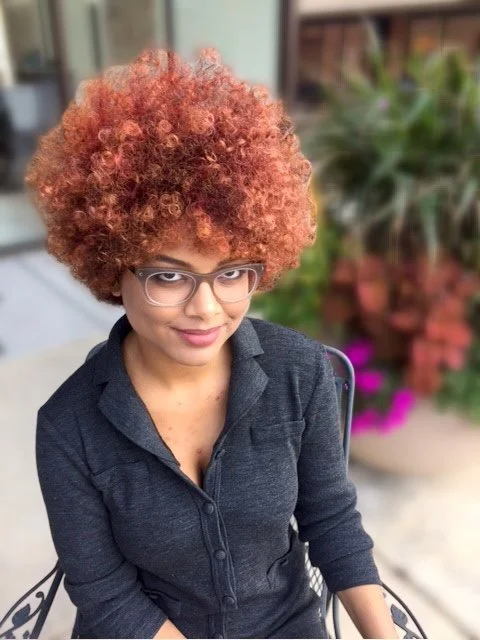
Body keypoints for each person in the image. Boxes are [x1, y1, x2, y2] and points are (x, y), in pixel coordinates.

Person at [25, 48, 397, 639]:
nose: (206, 308)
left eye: (231, 272)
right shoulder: (69, 427)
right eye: (169, 276)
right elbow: (104, 593)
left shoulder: (299, 372)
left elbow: (330, 521)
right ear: (113, 268)